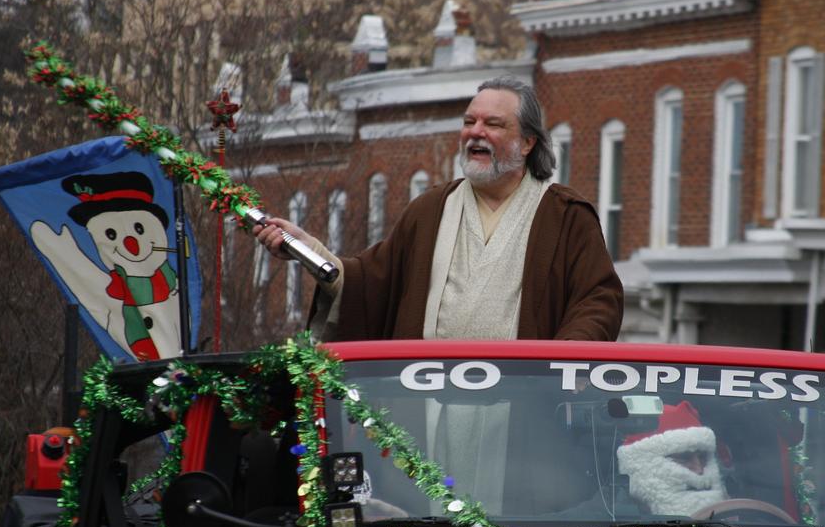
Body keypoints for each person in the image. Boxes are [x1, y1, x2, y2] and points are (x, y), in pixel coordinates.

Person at [254, 76, 623, 341]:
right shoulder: (430, 210)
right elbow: (369, 286)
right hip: (427, 415)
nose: (475, 132)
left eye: (492, 124)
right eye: (468, 122)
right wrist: (308, 248)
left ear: (527, 142)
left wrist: (565, 361)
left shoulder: (565, 216)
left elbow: (598, 301)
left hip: (520, 417)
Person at [616, 401, 728, 516]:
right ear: (644, 465)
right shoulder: (610, 516)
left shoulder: (736, 521)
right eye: (684, 458)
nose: (699, 469)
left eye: (703, 457)